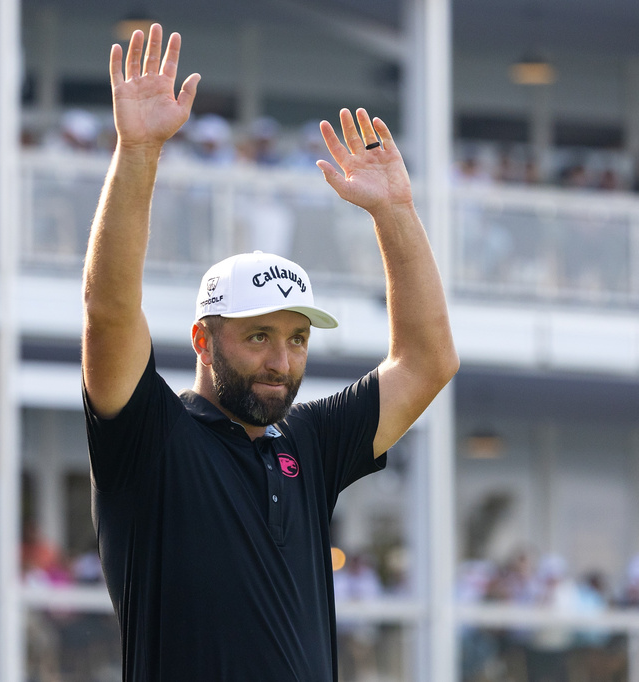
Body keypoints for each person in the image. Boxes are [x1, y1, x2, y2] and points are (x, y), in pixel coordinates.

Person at [81, 24, 458, 681]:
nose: (283, 363)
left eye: (298, 339)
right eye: (259, 337)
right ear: (203, 339)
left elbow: (429, 362)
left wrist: (396, 211)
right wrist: (138, 151)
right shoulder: (149, 436)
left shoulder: (307, 443)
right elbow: (109, 312)